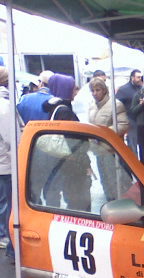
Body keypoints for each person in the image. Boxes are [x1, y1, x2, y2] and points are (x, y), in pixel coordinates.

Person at [40, 74, 92, 211]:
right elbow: (73, 141)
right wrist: (85, 163)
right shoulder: (65, 111)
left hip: (62, 161)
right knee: (78, 201)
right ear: (65, 89)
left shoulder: (55, 107)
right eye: (73, 88)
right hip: (71, 164)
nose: (76, 91)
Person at [87, 77, 129, 201]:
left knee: (115, 180)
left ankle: (119, 202)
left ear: (104, 90)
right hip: (98, 150)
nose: (95, 93)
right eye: (92, 90)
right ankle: (109, 200)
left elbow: (123, 125)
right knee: (104, 179)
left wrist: (102, 134)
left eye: (98, 90)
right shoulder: (92, 106)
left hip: (112, 150)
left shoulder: (116, 105)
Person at [115, 69, 143, 155]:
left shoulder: (142, 88)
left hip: (142, 121)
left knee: (143, 145)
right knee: (132, 146)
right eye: (138, 77)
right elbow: (117, 106)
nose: (140, 79)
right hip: (131, 121)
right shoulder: (123, 90)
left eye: (141, 77)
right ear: (132, 77)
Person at [0, 68, 13, 251]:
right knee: (6, 202)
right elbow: (11, 138)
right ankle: (3, 235)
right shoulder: (4, 106)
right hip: (5, 163)